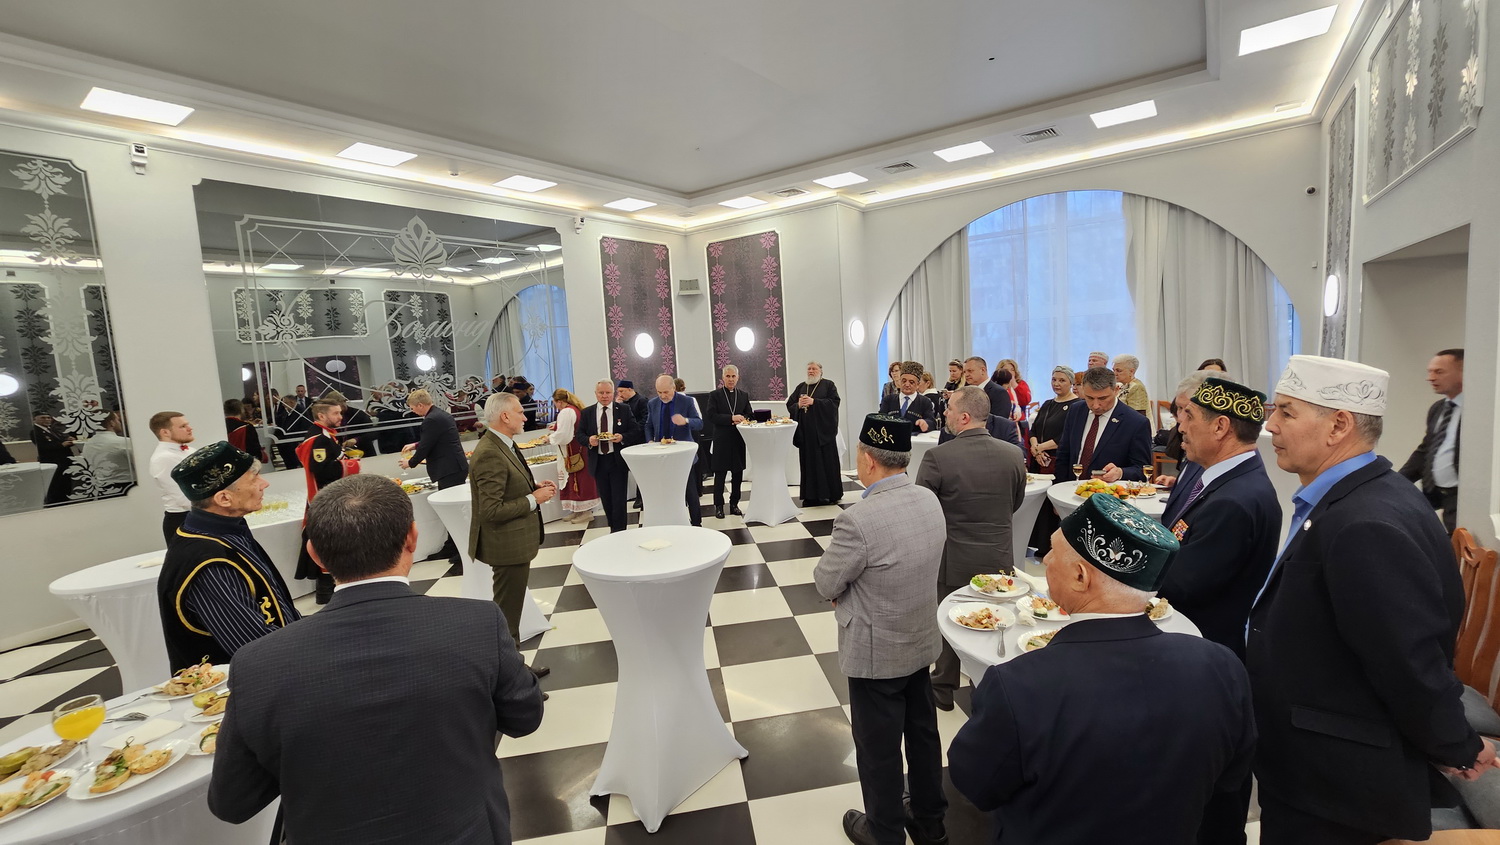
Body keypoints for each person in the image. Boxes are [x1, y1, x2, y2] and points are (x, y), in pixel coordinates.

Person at [207, 474, 544, 844]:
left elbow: (233, 802)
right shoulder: (476, 623)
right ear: (412, 538)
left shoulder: (257, 663)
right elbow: (525, 717)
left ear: (315, 555)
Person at [1249, 354, 1497, 844]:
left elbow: (1407, 661)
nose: (1271, 425)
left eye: (1286, 412)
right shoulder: (1361, 496)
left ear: (1338, 425)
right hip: (1318, 759)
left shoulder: (1364, 522)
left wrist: (1457, 744)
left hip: (1333, 781)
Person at [948, 493, 1256, 845]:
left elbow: (976, 784)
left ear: (1081, 577)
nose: (1046, 559)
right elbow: (1230, 785)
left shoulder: (1019, 686)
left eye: (1053, 551)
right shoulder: (1223, 668)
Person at [1155, 374, 1279, 844]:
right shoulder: (1219, 478)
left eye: (1188, 416)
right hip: (1201, 653)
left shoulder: (1236, 499)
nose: (1179, 426)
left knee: (1209, 797)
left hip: (1207, 656)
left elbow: (1183, 584)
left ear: (1221, 426)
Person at [813, 414, 947, 845]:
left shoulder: (858, 519)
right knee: (923, 735)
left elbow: (825, 582)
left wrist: (844, 593)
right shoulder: (929, 499)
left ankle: (885, 832)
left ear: (869, 460)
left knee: (878, 749)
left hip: (876, 653)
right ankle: (930, 822)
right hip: (921, 639)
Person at [917, 386, 1027, 711]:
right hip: (998, 555)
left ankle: (943, 685)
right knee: (995, 619)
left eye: (949, 408)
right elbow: (1015, 502)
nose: (945, 413)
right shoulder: (1013, 455)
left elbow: (925, 509)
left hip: (953, 556)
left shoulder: (938, 457)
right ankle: (987, 688)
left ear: (964, 416)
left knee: (949, 621)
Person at [157, 441, 299, 669]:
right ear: (224, 499)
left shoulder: (227, 531)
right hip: (252, 681)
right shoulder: (208, 562)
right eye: (254, 478)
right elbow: (256, 648)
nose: (264, 483)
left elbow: (279, 607)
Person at [470, 391, 555, 683]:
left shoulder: (502, 443)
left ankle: (513, 667)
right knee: (508, 614)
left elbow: (508, 486)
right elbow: (490, 510)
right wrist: (533, 499)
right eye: (520, 412)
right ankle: (512, 677)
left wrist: (532, 487)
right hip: (506, 545)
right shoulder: (490, 452)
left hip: (515, 542)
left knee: (511, 610)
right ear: (505, 416)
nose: (525, 417)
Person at [294, 401, 359, 604]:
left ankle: (330, 590)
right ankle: (326, 592)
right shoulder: (319, 439)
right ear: (322, 416)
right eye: (336, 413)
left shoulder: (325, 436)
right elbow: (322, 471)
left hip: (330, 496)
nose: (340, 417)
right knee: (330, 542)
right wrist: (350, 465)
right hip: (326, 499)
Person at [399, 389, 470, 566]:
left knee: (453, 513)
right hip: (454, 467)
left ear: (420, 405)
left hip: (449, 469)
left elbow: (427, 446)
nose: (413, 411)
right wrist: (415, 445)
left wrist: (410, 463)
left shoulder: (431, 419)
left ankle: (461, 551)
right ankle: (451, 546)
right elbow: (434, 439)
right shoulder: (440, 415)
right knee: (452, 511)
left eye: (413, 408)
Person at [1399, 347, 1464, 533]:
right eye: (1430, 372)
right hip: (1438, 494)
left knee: (1464, 544)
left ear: (1464, 372)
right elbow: (1426, 450)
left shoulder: (1482, 409)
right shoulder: (1438, 408)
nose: (1431, 378)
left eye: (1439, 372)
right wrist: (1397, 481)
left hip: (1465, 497)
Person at [1052, 366, 1153, 483]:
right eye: (1089, 398)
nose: (1095, 405)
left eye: (1103, 398)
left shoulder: (1136, 423)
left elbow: (1142, 470)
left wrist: (1120, 472)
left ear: (1116, 390)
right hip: (1072, 488)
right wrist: (1060, 487)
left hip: (1109, 491)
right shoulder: (1076, 410)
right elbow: (1064, 454)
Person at [1025, 366, 1079, 556]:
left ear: (1071, 383)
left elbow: (1065, 436)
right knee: (1040, 505)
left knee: (1053, 505)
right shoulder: (1048, 404)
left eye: (1062, 380)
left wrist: (1041, 447)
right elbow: (1034, 430)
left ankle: (1054, 548)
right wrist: (1035, 448)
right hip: (1039, 460)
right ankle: (1039, 545)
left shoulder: (1076, 405)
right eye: (1054, 379)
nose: (1057, 383)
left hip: (1057, 461)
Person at [578, 380, 641, 532]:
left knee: (619, 499)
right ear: (596, 394)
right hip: (598, 461)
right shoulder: (587, 412)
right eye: (601, 393)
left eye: (608, 393)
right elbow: (579, 434)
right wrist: (589, 440)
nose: (604, 396)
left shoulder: (624, 409)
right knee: (606, 499)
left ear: (613, 394)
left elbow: (635, 430)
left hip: (616, 460)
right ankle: (613, 528)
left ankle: (620, 531)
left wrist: (622, 437)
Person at [647, 374, 705, 525]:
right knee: (667, 492)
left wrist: (685, 420)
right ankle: (672, 522)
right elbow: (648, 425)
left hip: (683, 455)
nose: (662, 396)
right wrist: (650, 440)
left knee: (690, 491)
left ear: (674, 388)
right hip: (661, 454)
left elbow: (699, 423)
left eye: (666, 392)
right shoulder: (653, 403)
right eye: (659, 392)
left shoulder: (686, 401)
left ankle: (697, 523)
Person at [787, 361, 844, 507]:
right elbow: (790, 404)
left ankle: (831, 495)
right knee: (809, 465)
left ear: (821, 371)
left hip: (823, 434)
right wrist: (798, 405)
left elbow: (834, 403)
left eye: (814, 369)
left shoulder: (828, 385)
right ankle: (810, 496)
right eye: (809, 369)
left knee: (827, 464)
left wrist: (814, 402)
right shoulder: (801, 387)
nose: (811, 371)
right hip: (806, 434)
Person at [544, 388, 600, 524]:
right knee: (577, 479)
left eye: (554, 403)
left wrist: (550, 438)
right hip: (578, 448)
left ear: (559, 401)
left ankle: (586, 512)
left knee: (579, 479)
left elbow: (564, 434)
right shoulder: (575, 409)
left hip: (574, 450)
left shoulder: (566, 411)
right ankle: (577, 510)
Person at [705, 365, 751, 519]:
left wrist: (743, 418)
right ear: (723, 378)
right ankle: (719, 506)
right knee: (720, 475)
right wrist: (731, 418)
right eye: (728, 376)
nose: (731, 379)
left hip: (738, 440)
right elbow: (711, 416)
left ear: (738, 378)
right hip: (722, 440)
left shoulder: (743, 395)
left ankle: (734, 504)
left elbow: (749, 414)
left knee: (737, 474)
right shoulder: (715, 395)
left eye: (733, 376)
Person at [148, 411, 195, 543]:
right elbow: (182, 498)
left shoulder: (190, 451)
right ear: (165, 432)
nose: (190, 428)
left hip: (200, 515)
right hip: (183, 520)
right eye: (183, 426)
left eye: (187, 424)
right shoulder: (163, 458)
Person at [878, 361, 936, 433]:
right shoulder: (888, 400)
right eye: (904, 381)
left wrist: (925, 423)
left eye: (911, 382)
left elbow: (932, 422)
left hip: (915, 439)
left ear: (918, 385)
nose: (907, 384)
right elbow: (880, 420)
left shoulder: (925, 402)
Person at [30, 412, 74, 504]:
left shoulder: (51, 429)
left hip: (63, 461)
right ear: (35, 419)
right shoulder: (35, 431)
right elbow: (42, 447)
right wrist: (61, 445)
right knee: (55, 485)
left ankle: (65, 501)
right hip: (52, 461)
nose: (47, 420)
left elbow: (60, 439)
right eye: (43, 418)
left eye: (48, 418)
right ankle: (56, 503)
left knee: (65, 483)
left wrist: (68, 440)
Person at [81, 410, 132, 490]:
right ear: (112, 423)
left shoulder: (88, 444)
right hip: (128, 486)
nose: (120, 423)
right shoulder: (123, 442)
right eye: (118, 420)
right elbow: (139, 465)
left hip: (101, 487)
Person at [962, 355, 1012, 420]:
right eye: (964, 372)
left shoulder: (999, 392)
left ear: (983, 370)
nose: (966, 375)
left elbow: (999, 421)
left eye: (970, 371)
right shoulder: (965, 392)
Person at [224, 399, 265, 464]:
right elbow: (254, 450)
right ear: (241, 410)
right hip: (243, 463)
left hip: (225, 462)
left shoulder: (220, 427)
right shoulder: (247, 427)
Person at [272, 394, 307, 469]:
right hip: (286, 441)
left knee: (295, 462)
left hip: (294, 441)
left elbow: (304, 427)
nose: (283, 405)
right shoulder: (287, 411)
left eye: (285, 403)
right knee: (288, 460)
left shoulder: (301, 411)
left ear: (292, 402)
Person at [1113, 354, 1151, 418]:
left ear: (1131, 371)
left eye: (1119, 371)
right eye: (1113, 370)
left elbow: (1138, 415)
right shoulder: (1121, 385)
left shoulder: (1136, 387)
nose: (1115, 373)